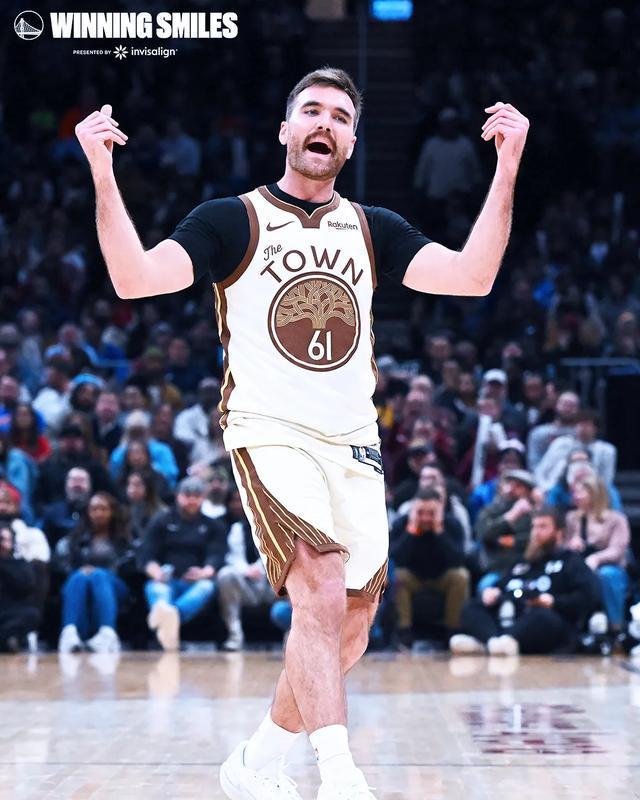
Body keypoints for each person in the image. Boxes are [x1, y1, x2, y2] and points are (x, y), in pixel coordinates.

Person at [76, 66, 529, 799]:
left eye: (341, 117)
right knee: (317, 583)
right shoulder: (231, 219)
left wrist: (507, 166)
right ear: (285, 129)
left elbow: (472, 277)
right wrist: (102, 171)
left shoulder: (373, 228)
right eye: (312, 110)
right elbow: (136, 278)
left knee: (352, 622)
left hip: (353, 440)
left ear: (351, 141)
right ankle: (339, 776)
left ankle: (257, 761)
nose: (325, 123)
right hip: (270, 429)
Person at [451, 507, 600, 656]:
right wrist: (492, 592)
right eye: (534, 527)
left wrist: (554, 602)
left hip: (548, 620)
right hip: (512, 617)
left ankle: (491, 644)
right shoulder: (524, 561)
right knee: (471, 607)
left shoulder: (570, 561)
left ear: (559, 533)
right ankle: (494, 642)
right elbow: (503, 585)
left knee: (542, 616)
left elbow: (588, 598)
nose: (536, 532)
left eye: (543, 527)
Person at [138, 476, 228, 651]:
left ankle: (168, 619)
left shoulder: (214, 526)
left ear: (203, 498)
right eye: (187, 495)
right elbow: (146, 555)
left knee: (206, 587)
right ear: (178, 496)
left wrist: (204, 572)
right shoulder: (161, 520)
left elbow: (217, 556)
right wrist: (157, 573)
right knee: (158, 590)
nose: (191, 500)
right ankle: (168, 624)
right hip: (166, 580)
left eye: (197, 496)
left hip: (196, 583)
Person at [55, 492, 134, 654]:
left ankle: (107, 634)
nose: (98, 513)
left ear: (112, 512)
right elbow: (62, 564)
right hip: (80, 582)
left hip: (115, 585)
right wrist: (81, 570)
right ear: (88, 512)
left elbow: (130, 565)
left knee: (99, 575)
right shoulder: (75, 538)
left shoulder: (125, 538)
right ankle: (69, 633)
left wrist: (100, 572)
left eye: (103, 509)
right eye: (94, 509)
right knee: (79, 577)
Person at [391, 489, 470, 647]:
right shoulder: (401, 524)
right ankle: (404, 632)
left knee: (461, 576)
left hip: (442, 577)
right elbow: (397, 559)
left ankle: (452, 631)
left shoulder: (452, 524)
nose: (426, 518)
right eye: (421, 512)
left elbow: (457, 560)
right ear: (413, 510)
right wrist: (412, 530)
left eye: (431, 513)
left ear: (440, 510)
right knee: (398, 576)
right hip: (414, 577)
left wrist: (439, 530)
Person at [564, 475, 631, 633]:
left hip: (609, 566)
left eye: (582, 492)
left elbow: (617, 550)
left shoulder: (616, 519)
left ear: (595, 494)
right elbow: (561, 546)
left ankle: (616, 626)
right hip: (578, 565)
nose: (576, 496)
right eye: (575, 492)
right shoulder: (572, 518)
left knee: (607, 575)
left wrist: (596, 558)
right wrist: (571, 544)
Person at [218, 516, 276, 651]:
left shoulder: (277, 525)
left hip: (273, 585)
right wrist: (246, 570)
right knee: (225, 574)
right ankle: (235, 635)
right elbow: (233, 556)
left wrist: (262, 568)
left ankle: (292, 638)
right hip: (246, 585)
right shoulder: (237, 528)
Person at [534, 409, 617, 491]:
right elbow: (541, 471)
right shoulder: (561, 444)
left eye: (587, 425)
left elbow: (607, 479)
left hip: (592, 492)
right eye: (580, 424)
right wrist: (544, 489)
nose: (583, 428)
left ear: (595, 428)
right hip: (557, 489)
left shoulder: (606, 450)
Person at [0, 524, 40, 652]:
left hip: (9, 615)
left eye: (6, 540)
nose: (2, 544)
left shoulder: (19, 563)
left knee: (32, 615)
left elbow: (26, 586)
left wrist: (3, 563)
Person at [527, 391, 580, 470]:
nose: (567, 409)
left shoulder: (581, 434)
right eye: (565, 404)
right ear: (556, 406)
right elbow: (534, 462)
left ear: (578, 410)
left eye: (571, 406)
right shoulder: (539, 433)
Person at [40, 466, 92, 548]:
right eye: (74, 480)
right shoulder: (52, 512)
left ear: (89, 485)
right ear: (66, 484)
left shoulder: (96, 511)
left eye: (81, 480)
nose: (77, 485)